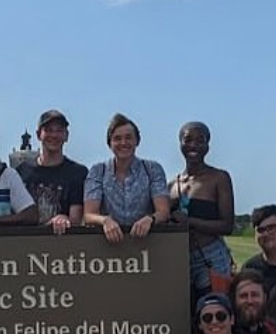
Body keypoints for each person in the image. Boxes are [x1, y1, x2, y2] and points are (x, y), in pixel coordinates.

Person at [169, 122, 234, 300]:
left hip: (211, 257)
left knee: (214, 310)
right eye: (188, 140)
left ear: (207, 146)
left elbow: (227, 225)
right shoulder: (173, 185)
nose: (194, 145)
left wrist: (190, 222)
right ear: (180, 143)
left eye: (200, 140)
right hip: (181, 260)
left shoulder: (218, 178)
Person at [83, 114, 169, 244]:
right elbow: (89, 215)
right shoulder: (98, 171)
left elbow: (163, 212)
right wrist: (105, 221)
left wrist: (150, 219)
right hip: (108, 248)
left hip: (147, 245)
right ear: (110, 144)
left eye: (128, 137)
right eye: (117, 139)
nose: (123, 143)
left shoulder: (152, 169)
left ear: (137, 141)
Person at [16, 110, 88, 235]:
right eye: (48, 130)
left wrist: (65, 219)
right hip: (25, 242)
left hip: (61, 245)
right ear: (39, 135)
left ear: (66, 136)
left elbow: (76, 221)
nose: (54, 135)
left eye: (59, 131)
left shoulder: (78, 173)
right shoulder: (20, 172)